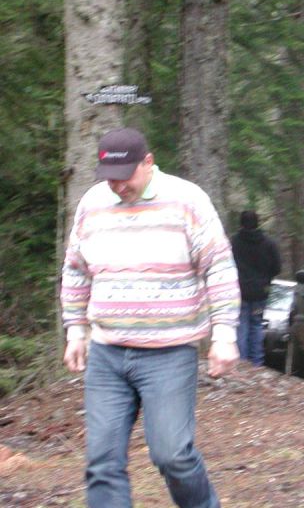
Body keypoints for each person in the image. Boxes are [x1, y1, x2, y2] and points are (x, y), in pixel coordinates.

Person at [60, 127, 240, 508]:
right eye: (110, 177)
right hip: (107, 352)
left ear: (148, 162)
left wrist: (224, 334)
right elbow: (76, 269)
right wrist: (76, 330)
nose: (118, 185)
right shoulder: (93, 203)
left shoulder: (187, 200)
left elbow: (219, 268)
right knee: (102, 461)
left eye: (126, 176)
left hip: (169, 353)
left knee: (172, 455)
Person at [230, 210, 282, 365]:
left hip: (240, 292)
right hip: (260, 292)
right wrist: (265, 279)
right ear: (258, 222)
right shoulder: (269, 243)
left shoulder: (234, 243)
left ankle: (242, 362)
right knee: (256, 325)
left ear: (241, 223)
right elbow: (277, 267)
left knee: (242, 326)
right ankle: (257, 363)